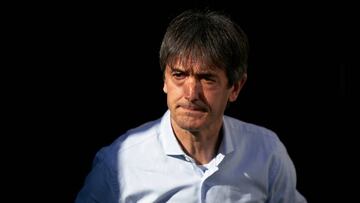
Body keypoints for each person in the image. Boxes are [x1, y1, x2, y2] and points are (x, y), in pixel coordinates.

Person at [75, 9, 307, 203]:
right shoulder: (120, 162)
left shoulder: (266, 153)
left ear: (235, 87)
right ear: (164, 80)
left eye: (207, 78)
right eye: (179, 75)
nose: (191, 93)